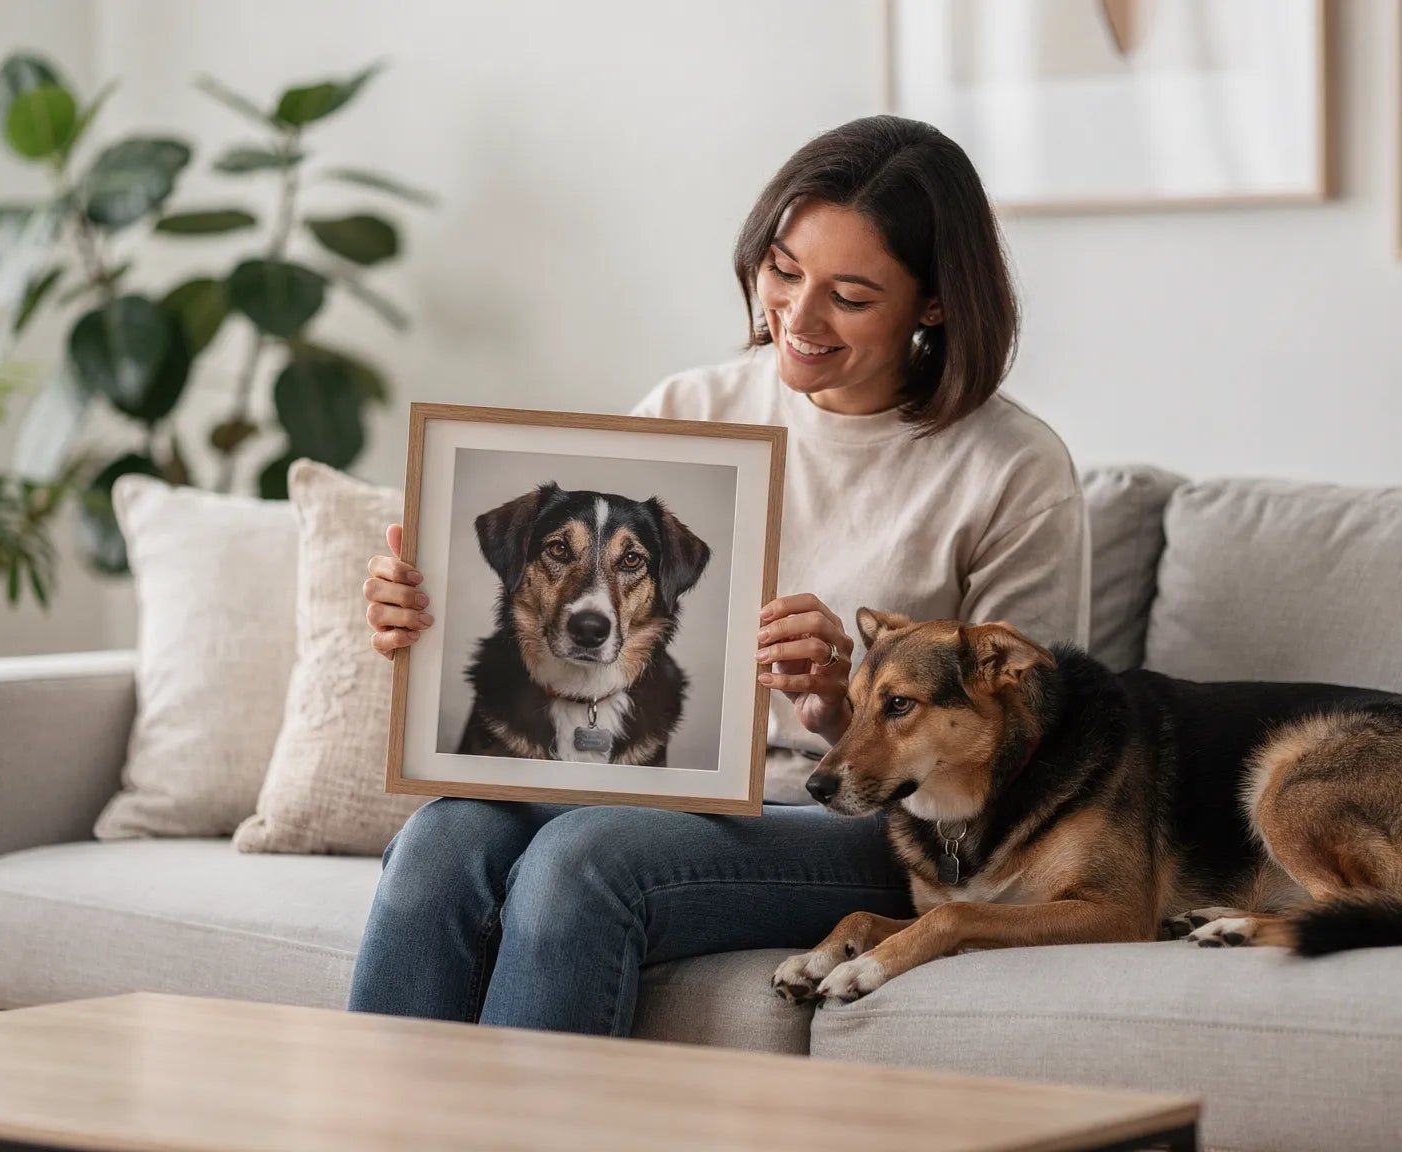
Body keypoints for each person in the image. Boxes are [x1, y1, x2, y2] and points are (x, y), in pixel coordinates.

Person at [350, 115, 1089, 1036]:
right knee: (441, 840)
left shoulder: (1013, 470)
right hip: (651, 783)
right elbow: (567, 627)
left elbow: (1028, 756)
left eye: (851, 297)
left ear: (933, 304)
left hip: (870, 826)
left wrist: (838, 709)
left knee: (585, 859)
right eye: (783, 270)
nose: (798, 317)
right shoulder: (692, 409)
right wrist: (420, 620)